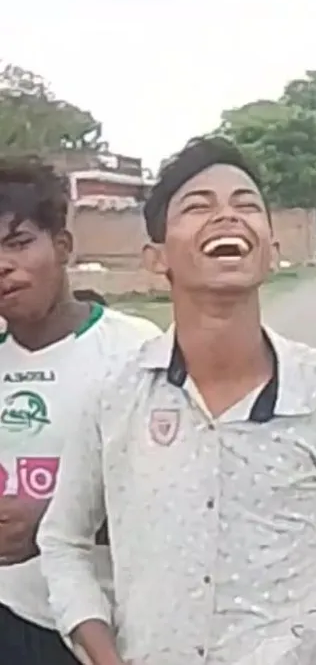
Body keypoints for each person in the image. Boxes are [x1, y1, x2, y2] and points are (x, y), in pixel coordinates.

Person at [39, 137, 316, 665]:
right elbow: (63, 543)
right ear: (156, 258)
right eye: (199, 206)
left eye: (247, 205)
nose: (227, 217)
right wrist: (103, 652)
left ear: (272, 251)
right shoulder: (113, 396)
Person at [0, 156, 161, 665]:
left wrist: (54, 524)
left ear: (63, 246)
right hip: (11, 618)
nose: (2, 264)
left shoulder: (135, 350)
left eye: (18, 243)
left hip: (113, 629)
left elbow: (178, 500)